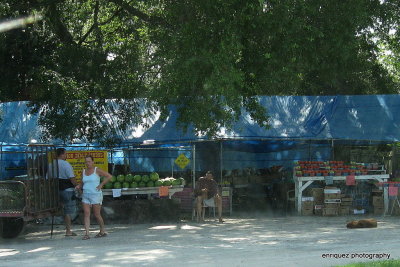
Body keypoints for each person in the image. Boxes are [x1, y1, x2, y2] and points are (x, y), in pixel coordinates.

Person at [76, 155, 112, 240]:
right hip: (86, 194)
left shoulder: (97, 170)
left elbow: (109, 176)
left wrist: (101, 184)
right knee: (86, 213)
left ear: (92, 162)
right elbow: (82, 182)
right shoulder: (84, 171)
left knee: (97, 214)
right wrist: (79, 186)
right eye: (86, 162)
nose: (87, 163)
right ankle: (87, 233)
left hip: (95, 194)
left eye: (89, 161)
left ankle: (102, 230)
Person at [48, 148, 77, 237]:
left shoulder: (51, 164)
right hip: (66, 190)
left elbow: (48, 178)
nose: (66, 155)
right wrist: (78, 187)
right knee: (67, 211)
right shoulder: (65, 164)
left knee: (61, 209)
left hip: (55, 190)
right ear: (62, 154)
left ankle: (66, 229)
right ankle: (68, 231)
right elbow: (72, 178)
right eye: (65, 154)